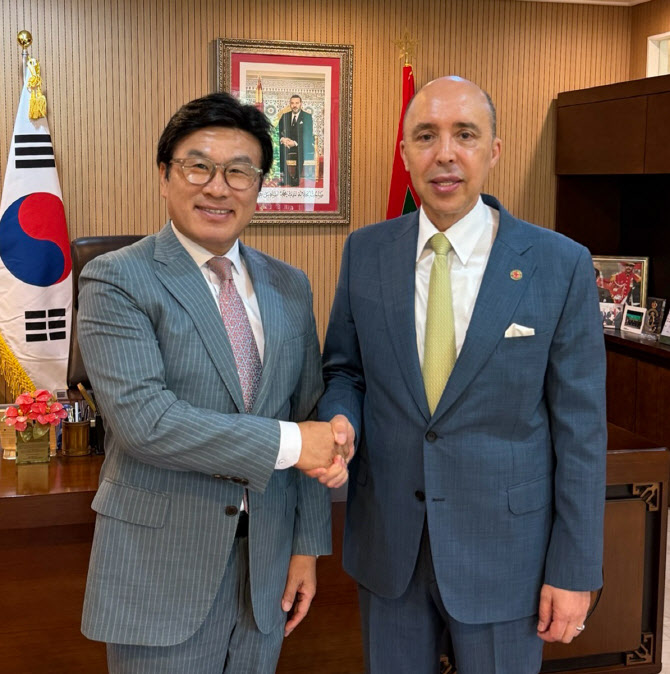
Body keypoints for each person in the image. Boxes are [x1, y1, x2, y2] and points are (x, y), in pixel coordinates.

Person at [318, 76, 607, 674]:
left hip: (507, 556)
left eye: (465, 135)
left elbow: (581, 430)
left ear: (493, 150)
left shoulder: (560, 263)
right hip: (389, 548)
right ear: (404, 153)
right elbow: (345, 370)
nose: (445, 154)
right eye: (426, 136)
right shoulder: (366, 252)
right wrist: (341, 418)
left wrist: (575, 569)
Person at [78, 92, 354, 673]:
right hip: (161, 568)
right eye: (198, 166)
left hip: (267, 569)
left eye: (239, 172)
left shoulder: (290, 285)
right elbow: (146, 423)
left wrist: (307, 547)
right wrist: (292, 443)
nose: (217, 188)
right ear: (164, 175)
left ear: (259, 187)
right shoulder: (116, 279)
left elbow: (307, 410)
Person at [278, 94, 314, 186]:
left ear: (301, 104)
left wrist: (294, 143)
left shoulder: (307, 117)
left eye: (297, 103)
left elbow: (307, 135)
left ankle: (296, 179)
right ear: (290, 104)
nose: (294, 105)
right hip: (287, 144)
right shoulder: (285, 116)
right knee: (279, 149)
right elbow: (279, 130)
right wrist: (283, 139)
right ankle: (286, 177)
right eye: (292, 103)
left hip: (301, 144)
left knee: (301, 149)